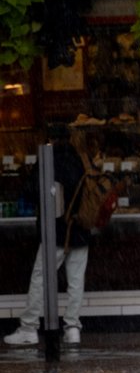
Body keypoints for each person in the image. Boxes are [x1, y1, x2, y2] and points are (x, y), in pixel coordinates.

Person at [4, 134, 95, 346]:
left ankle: (29, 327)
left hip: (56, 230)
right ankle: (72, 328)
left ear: (51, 140)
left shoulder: (49, 159)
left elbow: (30, 191)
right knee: (76, 280)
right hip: (81, 229)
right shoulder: (83, 159)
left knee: (41, 278)